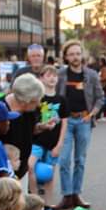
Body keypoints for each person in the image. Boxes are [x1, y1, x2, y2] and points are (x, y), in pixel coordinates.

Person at [56, 41, 104, 209]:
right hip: (66, 122)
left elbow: (100, 97)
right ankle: (66, 195)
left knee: (80, 160)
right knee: (63, 160)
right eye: (71, 54)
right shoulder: (60, 74)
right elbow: (55, 97)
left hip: (84, 120)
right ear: (66, 56)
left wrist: (92, 114)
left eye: (77, 53)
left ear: (82, 55)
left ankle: (77, 194)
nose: (75, 57)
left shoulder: (91, 75)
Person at [0, 73, 42, 185]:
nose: (38, 104)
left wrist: (40, 128)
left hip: (22, 169)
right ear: (24, 101)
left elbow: (30, 131)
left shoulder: (30, 111)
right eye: (35, 101)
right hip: (3, 174)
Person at [33, 65, 67, 198]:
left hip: (53, 142)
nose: (52, 78)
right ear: (41, 79)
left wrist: (59, 145)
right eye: (48, 75)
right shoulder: (38, 99)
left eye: (54, 75)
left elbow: (64, 123)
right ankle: (34, 201)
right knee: (30, 166)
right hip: (37, 141)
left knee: (50, 173)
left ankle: (48, 206)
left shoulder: (62, 100)